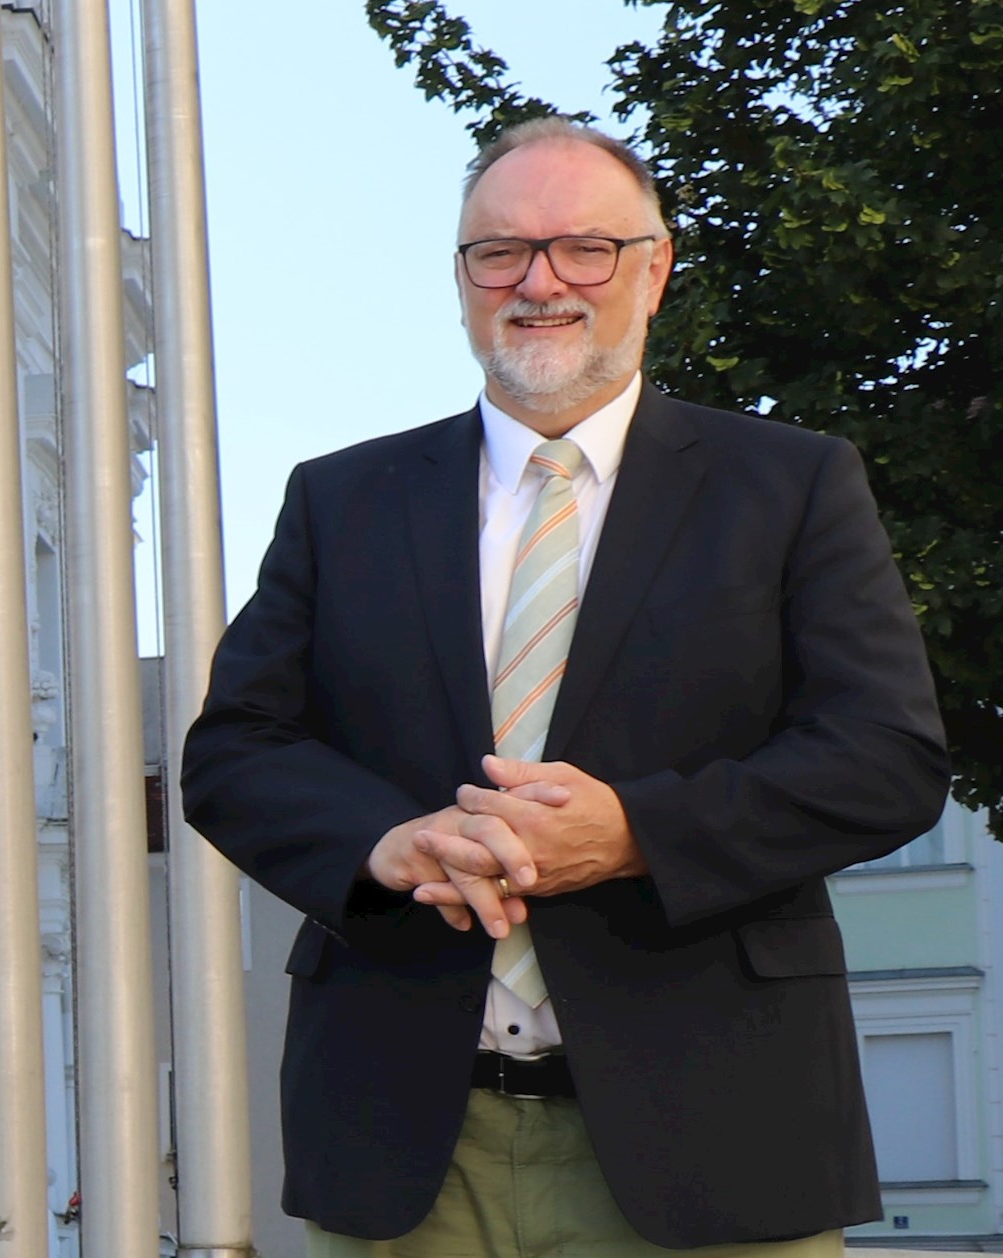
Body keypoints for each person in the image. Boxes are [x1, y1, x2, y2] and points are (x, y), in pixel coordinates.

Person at [185, 117, 947, 1256]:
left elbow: (886, 754)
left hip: (716, 1133)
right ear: (461, 280)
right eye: (499, 252)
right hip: (401, 1142)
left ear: (655, 269)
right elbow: (233, 747)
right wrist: (385, 842)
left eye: (583, 247)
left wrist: (637, 829)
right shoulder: (340, 500)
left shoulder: (790, 485)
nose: (538, 282)